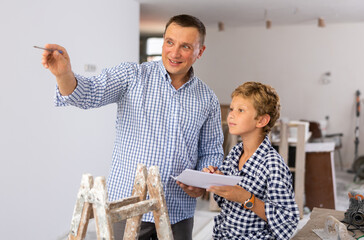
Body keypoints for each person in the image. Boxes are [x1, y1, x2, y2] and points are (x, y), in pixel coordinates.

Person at [40, 14, 224, 239]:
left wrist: (203, 181)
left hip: (178, 212)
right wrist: (64, 74)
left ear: (200, 52)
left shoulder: (208, 99)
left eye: (185, 46)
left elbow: (211, 152)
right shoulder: (132, 76)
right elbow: (89, 93)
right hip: (127, 208)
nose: (174, 53)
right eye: (169, 42)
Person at [203, 82, 299, 239]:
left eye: (241, 110)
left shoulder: (272, 164)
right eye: (232, 109)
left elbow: (288, 221)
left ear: (261, 121)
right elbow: (225, 203)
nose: (231, 115)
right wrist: (218, 179)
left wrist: (246, 198)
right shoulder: (235, 153)